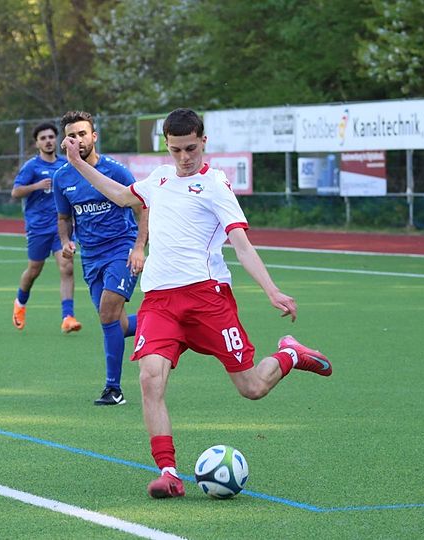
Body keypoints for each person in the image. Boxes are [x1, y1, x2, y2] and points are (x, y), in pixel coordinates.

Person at [61, 108, 332, 497]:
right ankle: (168, 472)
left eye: (190, 148)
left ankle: (290, 354)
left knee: (252, 387)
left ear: (203, 142)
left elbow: (242, 245)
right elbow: (120, 195)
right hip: (160, 301)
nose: (184, 157)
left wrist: (272, 290)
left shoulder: (216, 186)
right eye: (176, 150)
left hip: (207, 299)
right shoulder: (159, 178)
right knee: (149, 378)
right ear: (167, 146)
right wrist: (76, 163)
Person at [53, 110, 148, 406]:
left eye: (83, 134)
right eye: (71, 135)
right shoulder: (61, 177)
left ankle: (113, 389)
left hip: (121, 250)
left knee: (107, 314)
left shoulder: (116, 171)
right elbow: (63, 218)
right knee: (116, 324)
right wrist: (66, 241)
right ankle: (164, 322)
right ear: (64, 141)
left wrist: (139, 247)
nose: (78, 140)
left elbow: (143, 207)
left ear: (94, 136)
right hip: (91, 257)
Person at [10, 122, 82, 334]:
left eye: (51, 137)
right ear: (37, 143)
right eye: (43, 138)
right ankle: (20, 303)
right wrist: (37, 186)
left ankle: (68, 317)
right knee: (34, 270)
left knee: (67, 267)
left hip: (61, 227)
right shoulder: (32, 167)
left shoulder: (65, 164)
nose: (48, 141)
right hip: (38, 228)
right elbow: (16, 192)